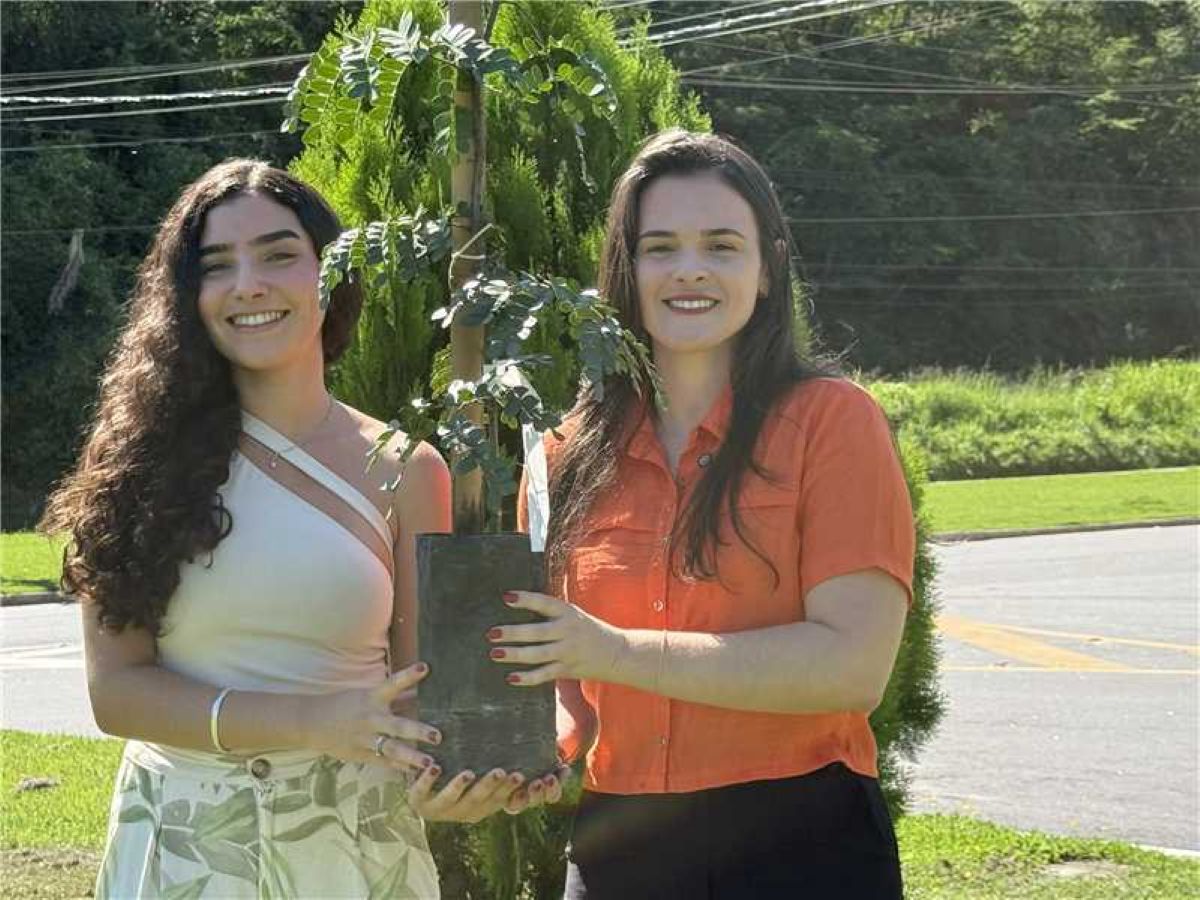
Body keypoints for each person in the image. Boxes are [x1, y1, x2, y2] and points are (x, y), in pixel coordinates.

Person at [40, 159, 559, 899]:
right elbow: (116, 693)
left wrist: (456, 780)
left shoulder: (409, 471)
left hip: (355, 842)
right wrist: (311, 722)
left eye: (279, 254)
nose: (248, 283)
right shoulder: (135, 461)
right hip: (186, 845)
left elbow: (420, 697)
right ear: (189, 297)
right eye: (218, 265)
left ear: (331, 275)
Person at [498, 130, 914, 898]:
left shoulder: (833, 422)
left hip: (802, 845)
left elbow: (854, 667)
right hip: (618, 848)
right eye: (660, 248)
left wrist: (616, 652)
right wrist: (524, 756)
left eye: (722, 245)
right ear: (626, 272)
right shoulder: (559, 458)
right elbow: (564, 683)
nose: (689, 269)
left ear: (767, 270)